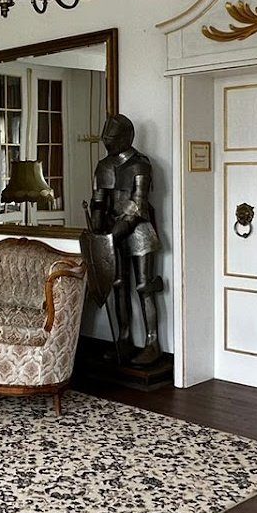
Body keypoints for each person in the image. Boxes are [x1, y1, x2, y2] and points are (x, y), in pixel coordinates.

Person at [85, 114, 164, 365]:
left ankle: (152, 342)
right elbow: (99, 202)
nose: (107, 141)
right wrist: (97, 229)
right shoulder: (103, 166)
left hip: (139, 231)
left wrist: (114, 233)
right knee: (119, 285)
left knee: (144, 287)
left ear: (125, 137)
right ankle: (124, 338)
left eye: (111, 137)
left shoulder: (140, 165)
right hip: (111, 231)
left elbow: (138, 206)